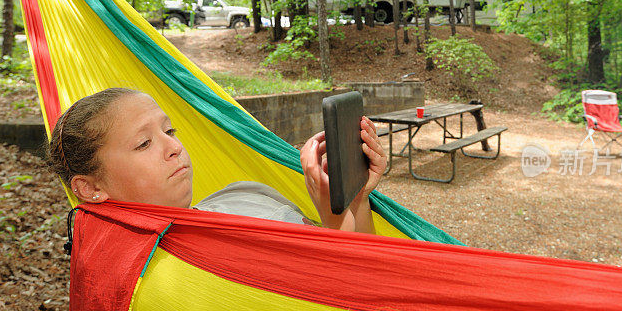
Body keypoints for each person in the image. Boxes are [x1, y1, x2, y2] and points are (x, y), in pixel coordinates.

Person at [46, 88, 386, 233]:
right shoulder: (190, 271)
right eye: (144, 143)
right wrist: (334, 218)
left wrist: (355, 198)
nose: (174, 147)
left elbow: (374, 260)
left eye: (171, 130)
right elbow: (359, 301)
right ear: (89, 187)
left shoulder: (234, 193)